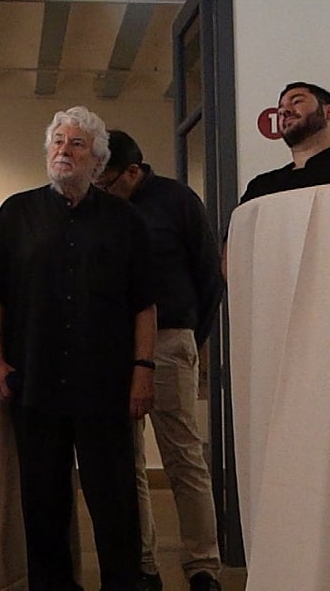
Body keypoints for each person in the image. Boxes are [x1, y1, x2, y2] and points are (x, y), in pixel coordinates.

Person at [0, 106, 156, 591]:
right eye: (58, 141)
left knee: (115, 505)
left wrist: (143, 369)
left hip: (106, 386)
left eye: (77, 144)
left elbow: (144, 303)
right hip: (36, 383)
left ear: (97, 160)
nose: (64, 150)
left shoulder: (125, 220)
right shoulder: (17, 213)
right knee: (43, 506)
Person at [96, 131, 225, 591]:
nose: (101, 189)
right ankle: (144, 564)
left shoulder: (177, 200)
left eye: (108, 182)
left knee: (184, 457)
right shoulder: (100, 206)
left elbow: (209, 275)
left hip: (171, 338)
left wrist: (189, 336)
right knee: (126, 461)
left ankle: (203, 565)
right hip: (114, 345)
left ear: (133, 171)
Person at [239, 82, 330, 203]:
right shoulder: (261, 187)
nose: (284, 111)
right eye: (280, 109)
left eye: (297, 101)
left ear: (329, 112)